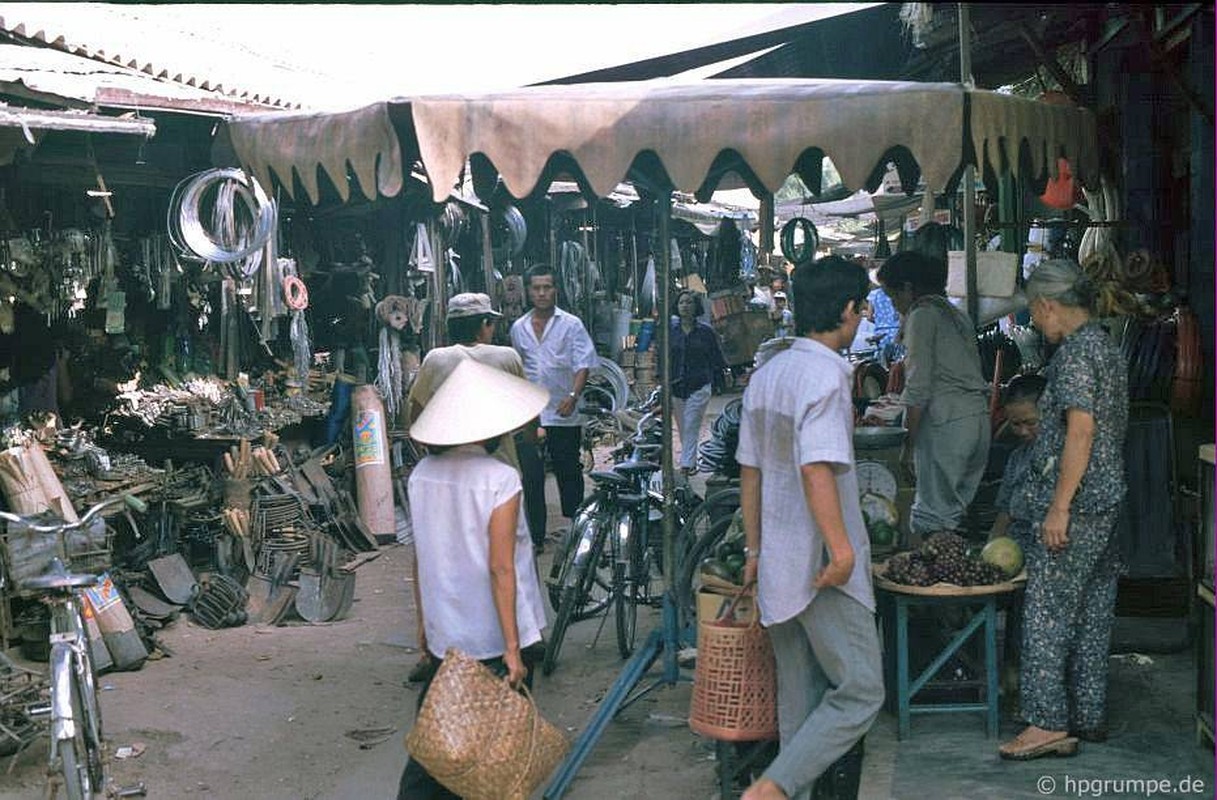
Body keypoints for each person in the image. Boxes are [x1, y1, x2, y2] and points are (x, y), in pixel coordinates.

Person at [737, 256, 884, 800]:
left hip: (778, 557)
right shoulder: (828, 374)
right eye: (860, 308)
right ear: (848, 310)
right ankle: (772, 788)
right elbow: (815, 465)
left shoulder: (769, 372)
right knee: (861, 691)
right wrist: (842, 550)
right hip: (822, 563)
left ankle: (782, 788)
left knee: (798, 708)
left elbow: (749, 470)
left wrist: (754, 549)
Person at [396, 358, 550, 799]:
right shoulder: (500, 479)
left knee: (443, 749)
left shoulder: (420, 477)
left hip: (447, 633)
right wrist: (513, 649)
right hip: (491, 636)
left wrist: (424, 627)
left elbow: (420, 559)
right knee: (494, 762)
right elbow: (502, 568)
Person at [998, 259, 1128, 760]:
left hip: (1077, 504)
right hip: (1107, 498)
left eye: (1034, 313)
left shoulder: (1074, 357)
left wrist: (1058, 507)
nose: (1035, 323)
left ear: (1048, 305)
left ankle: (1047, 721)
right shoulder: (1106, 347)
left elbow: (1081, 431)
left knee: (1048, 611)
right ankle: (1088, 714)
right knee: (1094, 609)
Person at [403, 292, 532, 684]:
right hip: (497, 468)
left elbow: (414, 414)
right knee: (510, 557)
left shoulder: (435, 360)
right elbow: (500, 569)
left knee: (439, 554)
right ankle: (522, 638)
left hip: (441, 464)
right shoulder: (505, 356)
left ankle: (432, 648)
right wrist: (513, 652)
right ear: (485, 325)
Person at [877, 250, 990, 537]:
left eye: (893, 296)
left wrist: (908, 445)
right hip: (976, 420)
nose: (894, 305)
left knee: (933, 518)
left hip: (946, 424)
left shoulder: (922, 316)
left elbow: (918, 387)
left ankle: (937, 580)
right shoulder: (955, 314)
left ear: (907, 288)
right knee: (953, 514)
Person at [509, 264, 598, 551]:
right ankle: (535, 537)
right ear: (528, 291)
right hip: (531, 414)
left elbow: (583, 362)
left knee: (568, 472)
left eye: (547, 287)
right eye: (536, 287)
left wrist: (573, 394)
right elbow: (517, 370)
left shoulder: (571, 324)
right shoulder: (519, 328)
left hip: (564, 412)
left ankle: (575, 531)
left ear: (555, 290)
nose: (542, 292)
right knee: (532, 476)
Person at [669, 289, 727, 475]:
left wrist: (719, 382)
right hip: (676, 385)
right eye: (681, 303)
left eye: (689, 303)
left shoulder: (706, 332)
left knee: (692, 422)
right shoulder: (670, 332)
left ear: (696, 307)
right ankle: (689, 459)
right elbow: (664, 358)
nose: (685, 306)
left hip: (700, 384)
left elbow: (716, 358)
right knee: (682, 426)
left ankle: (687, 465)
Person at [987, 374, 1047, 545]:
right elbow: (1004, 512)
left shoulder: (1070, 458)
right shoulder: (1017, 458)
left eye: (1031, 423)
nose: (1023, 432)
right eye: (1015, 424)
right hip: (1014, 546)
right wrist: (991, 546)